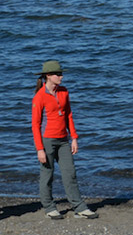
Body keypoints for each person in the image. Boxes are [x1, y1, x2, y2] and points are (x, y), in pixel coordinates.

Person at [32, 59, 98, 219]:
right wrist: (39, 149)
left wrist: (74, 137)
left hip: (63, 140)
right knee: (47, 175)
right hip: (47, 140)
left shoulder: (64, 92)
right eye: (58, 74)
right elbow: (35, 124)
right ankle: (49, 207)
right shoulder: (39, 97)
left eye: (61, 74)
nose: (61, 77)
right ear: (48, 76)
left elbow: (68, 115)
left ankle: (79, 207)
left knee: (70, 173)